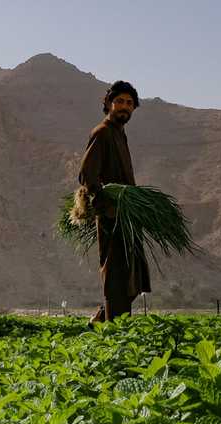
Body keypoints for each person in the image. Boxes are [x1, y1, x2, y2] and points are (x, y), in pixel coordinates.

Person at [80, 81, 150, 322]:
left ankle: (100, 320)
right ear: (109, 104)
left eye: (129, 103)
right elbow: (86, 175)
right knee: (116, 277)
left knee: (135, 277)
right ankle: (113, 332)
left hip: (128, 216)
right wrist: (107, 202)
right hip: (112, 215)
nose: (124, 106)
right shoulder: (102, 132)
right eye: (119, 101)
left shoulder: (119, 133)